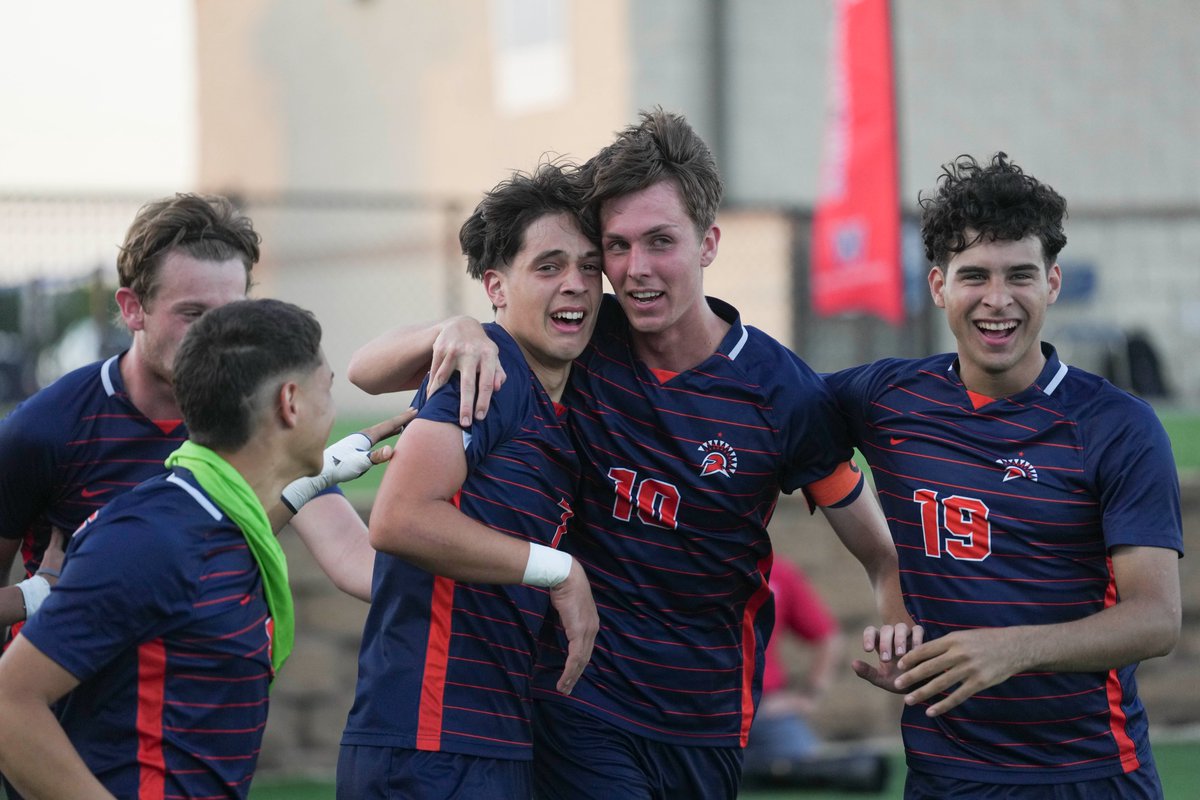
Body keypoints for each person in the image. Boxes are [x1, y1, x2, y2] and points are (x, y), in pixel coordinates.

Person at [348, 108, 912, 799]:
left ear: (708, 243)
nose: (633, 270)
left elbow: (879, 552)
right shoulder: (581, 340)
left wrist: (897, 626)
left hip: (708, 720)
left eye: (659, 242)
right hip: (578, 701)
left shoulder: (781, 393)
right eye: (616, 247)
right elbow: (368, 372)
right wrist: (458, 326)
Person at [830, 153, 1183, 799]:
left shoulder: (1118, 425)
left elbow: (1156, 619)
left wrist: (1009, 649)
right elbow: (771, 427)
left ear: (1051, 282)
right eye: (974, 276)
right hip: (944, 775)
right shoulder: (884, 398)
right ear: (938, 286)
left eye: (1020, 275)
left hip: (1090, 773)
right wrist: (884, 571)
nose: (998, 300)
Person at [0, 298, 362, 799]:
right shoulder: (154, 538)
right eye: (329, 389)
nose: (334, 409)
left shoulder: (224, 524)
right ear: (291, 402)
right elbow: (9, 700)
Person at [0, 193, 391, 639]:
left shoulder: (260, 417)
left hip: (204, 700)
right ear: (132, 309)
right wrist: (37, 598)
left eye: (230, 315)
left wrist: (464, 328)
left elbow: (358, 562)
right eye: (192, 314)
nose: (215, 334)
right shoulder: (44, 430)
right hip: (66, 704)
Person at [337, 162, 601, 799]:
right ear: (496, 286)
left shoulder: (556, 397)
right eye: (549, 266)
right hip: (431, 745)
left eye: (590, 266)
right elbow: (399, 519)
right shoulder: (487, 370)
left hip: (479, 741)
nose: (576, 285)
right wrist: (557, 569)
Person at [740, 554, 889, 793]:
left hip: (765, 711)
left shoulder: (777, 573)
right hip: (699, 708)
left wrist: (810, 695)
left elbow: (828, 638)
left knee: (810, 772)